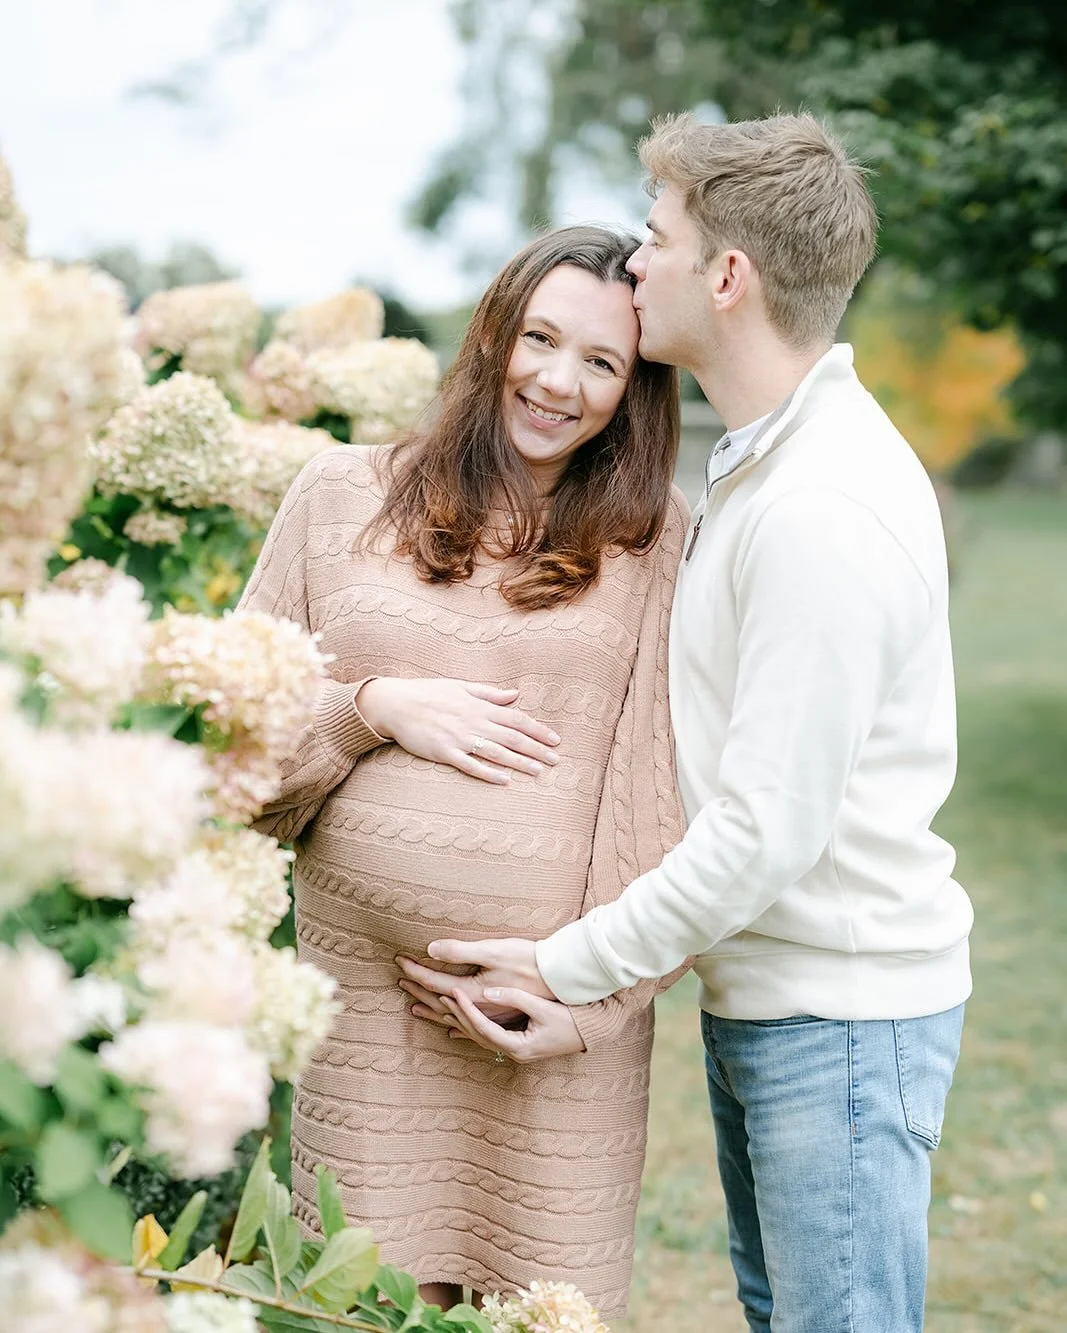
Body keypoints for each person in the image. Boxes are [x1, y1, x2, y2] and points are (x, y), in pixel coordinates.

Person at [402, 113, 975, 1333]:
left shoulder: (820, 508)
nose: (630, 267)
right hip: (778, 998)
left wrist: (566, 967)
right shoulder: (768, 462)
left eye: (653, 240)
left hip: (842, 1020)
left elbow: (765, 829)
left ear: (726, 277)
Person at [238, 225, 691, 1317]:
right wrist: (367, 711)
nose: (556, 382)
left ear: (634, 392)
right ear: (492, 333)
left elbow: (668, 792)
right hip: (362, 1018)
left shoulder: (655, 540)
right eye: (539, 339)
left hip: (549, 1030)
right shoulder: (338, 493)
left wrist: (588, 992)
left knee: (530, 1307)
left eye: (600, 363)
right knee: (350, 1301)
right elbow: (229, 738)